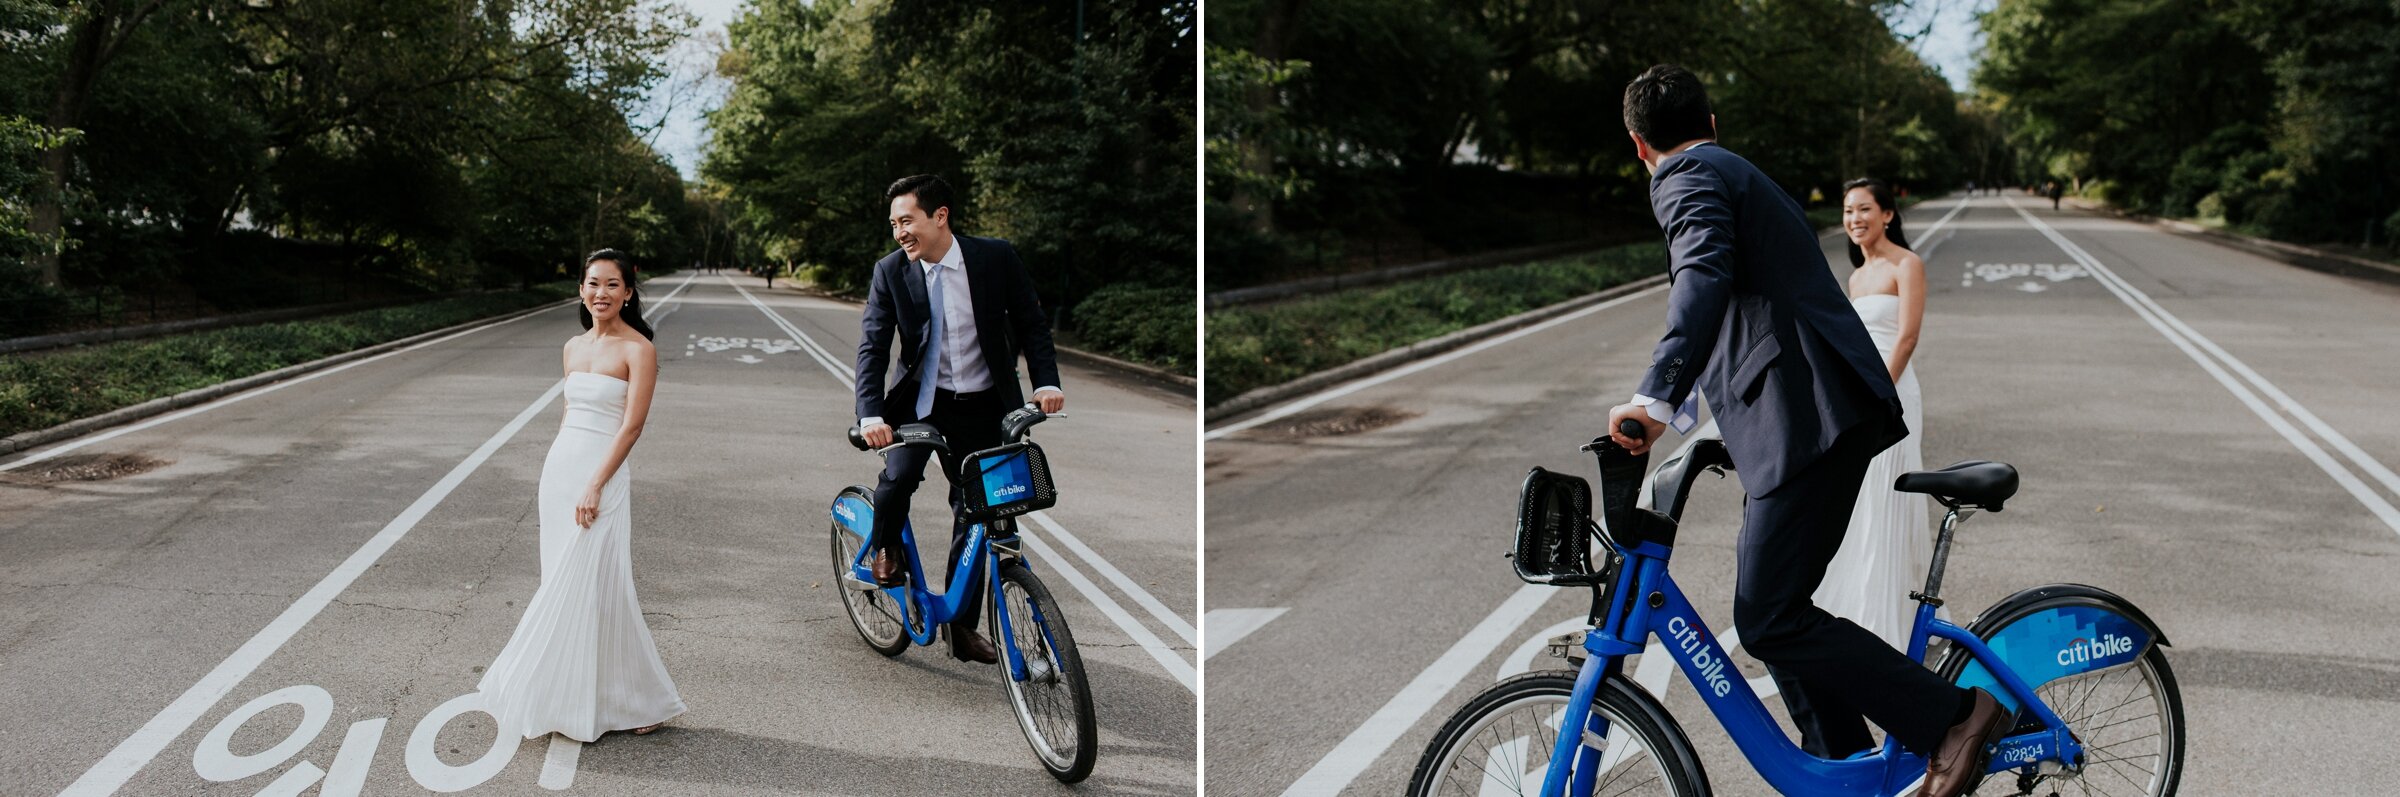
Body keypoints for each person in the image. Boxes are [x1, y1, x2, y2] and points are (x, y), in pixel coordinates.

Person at [1602, 65, 2009, 797]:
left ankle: (1956, 716)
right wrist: (1694, 422)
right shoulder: (1731, 168)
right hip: (1800, 420)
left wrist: (1654, 399)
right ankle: (1852, 772)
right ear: (1713, 120)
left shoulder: (1684, 175)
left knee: (1767, 617)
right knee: (1776, 613)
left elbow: (1703, 277)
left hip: (1812, 418)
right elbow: (1745, 320)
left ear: (1639, 146)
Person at [854, 174, 1064, 664]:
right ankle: (885, 546)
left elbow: (1033, 324)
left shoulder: (994, 258)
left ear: (940, 216)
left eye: (907, 221)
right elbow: (873, 346)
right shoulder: (891, 272)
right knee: (899, 479)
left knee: (980, 513)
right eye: (893, 224)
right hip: (921, 406)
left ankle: (962, 627)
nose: (899, 232)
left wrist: (1046, 383)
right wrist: (870, 413)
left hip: (985, 404)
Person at [478, 249, 685, 742]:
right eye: (593, 284)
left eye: (613, 285)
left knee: (602, 585)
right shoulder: (572, 347)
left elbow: (631, 427)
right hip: (561, 472)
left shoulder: (639, 350)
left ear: (628, 293)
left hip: (604, 477)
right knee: (560, 583)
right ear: (581, 290)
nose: (601, 293)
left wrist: (596, 482)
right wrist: (562, 476)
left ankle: (641, 700)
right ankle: (566, 696)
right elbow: (570, 415)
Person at [1813, 177, 1932, 652]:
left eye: (1864, 209)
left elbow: (1906, 337)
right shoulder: (1856, 277)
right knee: (1860, 500)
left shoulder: (1908, 264)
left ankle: (1893, 620)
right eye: (1847, 211)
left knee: (1889, 496)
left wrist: (1880, 396)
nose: (1855, 219)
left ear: (1887, 214)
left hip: (1894, 396)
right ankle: (1859, 612)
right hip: (1861, 399)